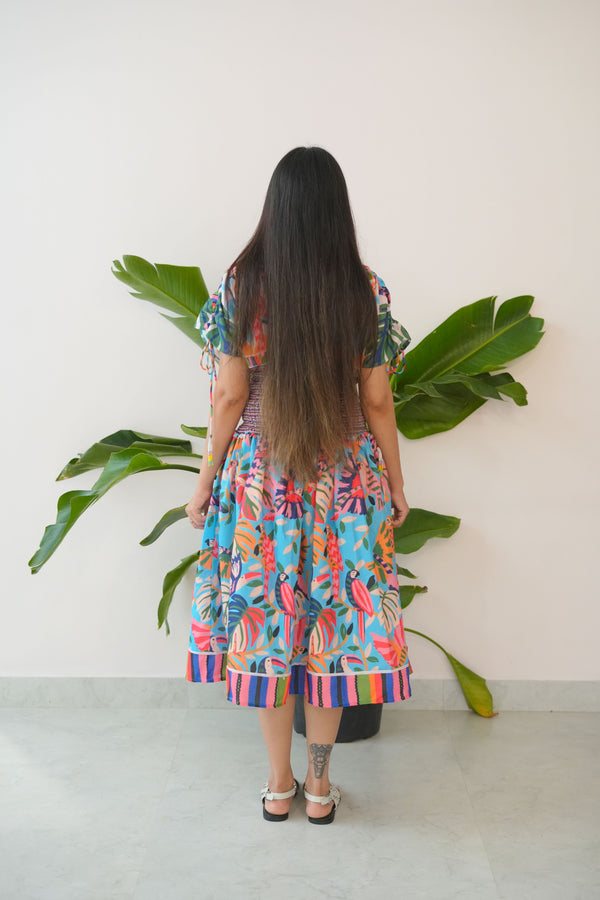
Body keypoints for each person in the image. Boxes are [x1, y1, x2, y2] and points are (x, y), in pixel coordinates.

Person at [184, 146, 413, 825]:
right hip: (344, 480)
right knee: (332, 633)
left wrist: (203, 485)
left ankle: (278, 787)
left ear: (275, 208)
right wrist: (396, 484)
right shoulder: (362, 288)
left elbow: (229, 395)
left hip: (261, 480)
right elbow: (375, 401)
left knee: (269, 630)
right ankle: (320, 791)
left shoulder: (240, 284)